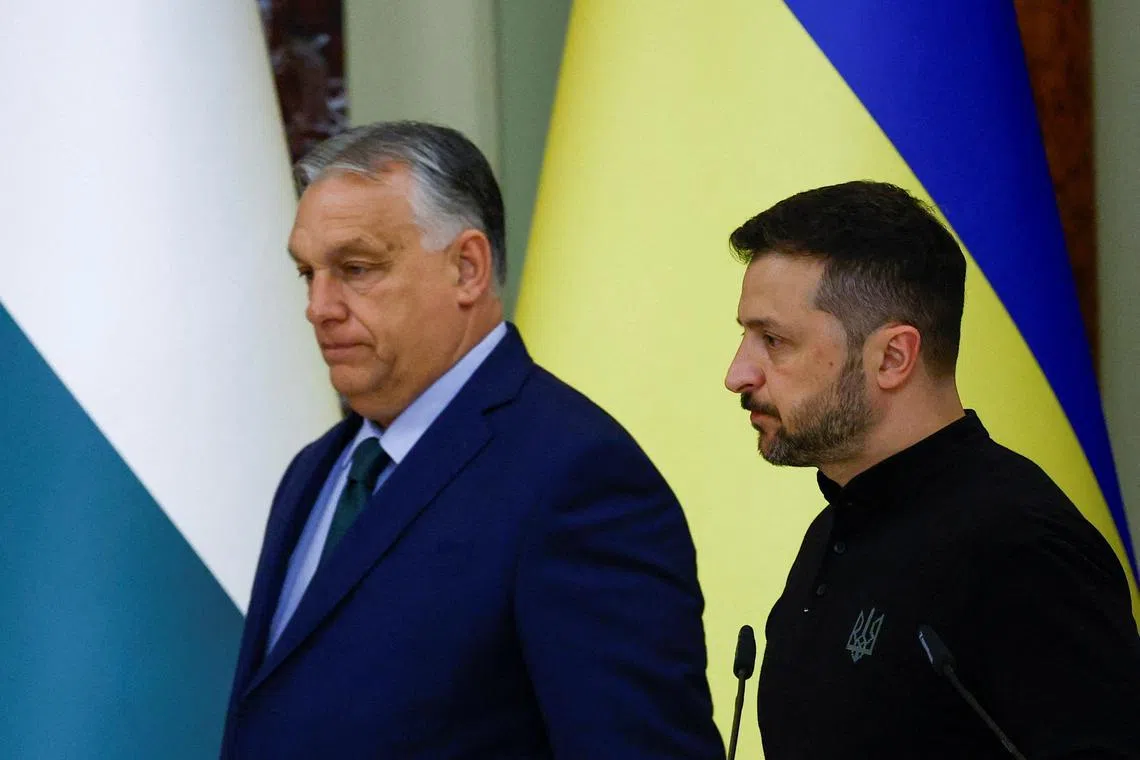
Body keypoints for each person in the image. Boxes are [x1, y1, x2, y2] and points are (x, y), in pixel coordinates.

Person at [221, 122, 724, 758]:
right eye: (307, 273)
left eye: (355, 268)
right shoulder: (315, 471)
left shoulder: (578, 479)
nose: (319, 307)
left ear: (467, 268)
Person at [723, 181, 1140, 758]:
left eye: (773, 340)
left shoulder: (1022, 547)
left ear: (893, 357)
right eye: (746, 336)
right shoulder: (836, 530)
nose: (737, 374)